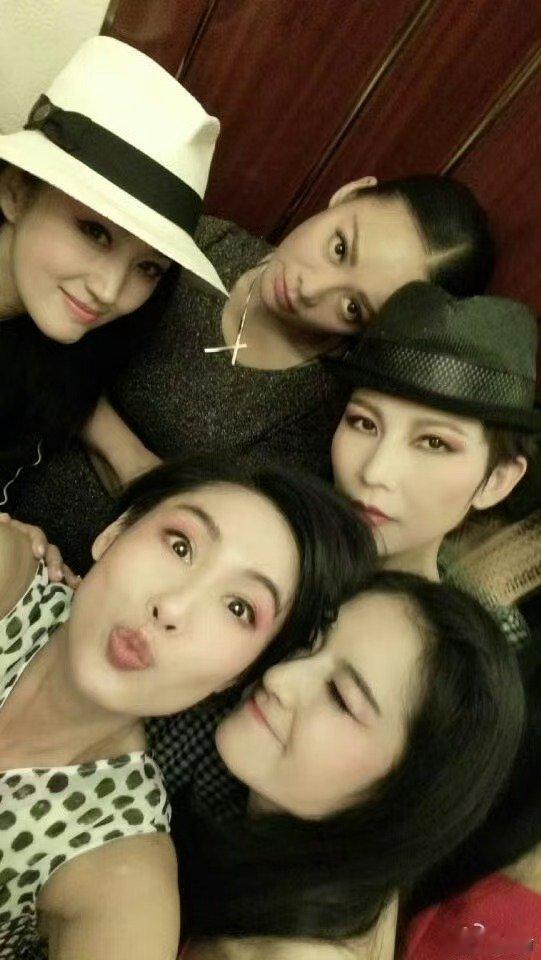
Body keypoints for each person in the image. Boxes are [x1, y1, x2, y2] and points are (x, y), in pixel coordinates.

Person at [9, 173, 495, 573]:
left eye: (353, 307)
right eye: (339, 247)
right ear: (350, 193)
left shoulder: (329, 409)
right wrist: (129, 458)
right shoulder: (199, 248)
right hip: (13, 469)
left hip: (95, 582)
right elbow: (51, 345)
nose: (311, 288)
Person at [0, 456, 374, 960]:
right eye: (180, 545)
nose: (172, 607)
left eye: (238, 608)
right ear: (115, 533)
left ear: (240, 674)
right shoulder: (8, 572)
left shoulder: (119, 869)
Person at [173, 570, 524, 955]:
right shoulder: (338, 886)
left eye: (340, 698)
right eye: (312, 643)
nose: (279, 678)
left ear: (408, 793)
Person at [0, 34, 225, 512]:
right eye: (94, 232)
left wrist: (126, 454)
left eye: (148, 267)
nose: (109, 291)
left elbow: (55, 376)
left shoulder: (48, 330)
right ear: (16, 192)